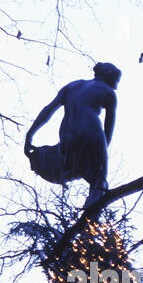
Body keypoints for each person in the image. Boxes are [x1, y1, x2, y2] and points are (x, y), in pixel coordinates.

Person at [24, 61, 121, 203]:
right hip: (90, 130)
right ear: (108, 74)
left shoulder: (73, 86)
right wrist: (102, 152)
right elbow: (109, 126)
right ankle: (94, 206)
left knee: (81, 168)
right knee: (99, 182)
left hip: (67, 134)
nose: (116, 84)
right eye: (116, 80)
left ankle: (90, 207)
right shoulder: (108, 92)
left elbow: (48, 110)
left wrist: (30, 134)